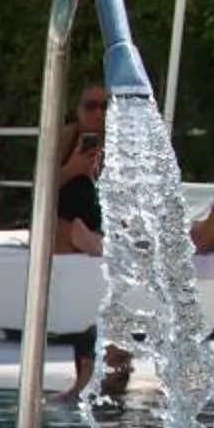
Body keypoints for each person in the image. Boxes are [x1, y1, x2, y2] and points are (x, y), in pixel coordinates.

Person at [49, 83, 132, 405]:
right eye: (90, 106)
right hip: (67, 226)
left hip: (104, 226)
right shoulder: (65, 138)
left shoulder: (125, 144)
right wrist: (71, 170)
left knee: (94, 291)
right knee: (57, 229)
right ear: (77, 109)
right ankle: (80, 238)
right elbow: (39, 190)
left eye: (105, 106)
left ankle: (101, 375)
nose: (98, 113)